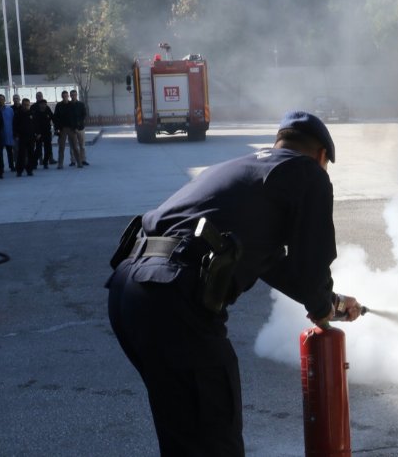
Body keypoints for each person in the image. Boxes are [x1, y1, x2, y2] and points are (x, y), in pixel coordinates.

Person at [106, 111, 364, 456]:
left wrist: (326, 301)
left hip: (130, 289)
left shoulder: (244, 171)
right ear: (321, 155)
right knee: (213, 437)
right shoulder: (307, 173)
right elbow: (311, 261)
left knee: (186, 435)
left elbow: (271, 264)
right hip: (174, 298)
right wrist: (321, 308)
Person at [53, 90, 78, 169]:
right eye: (64, 96)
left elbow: (75, 117)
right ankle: (60, 164)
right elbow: (55, 117)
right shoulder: (59, 105)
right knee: (61, 147)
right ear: (62, 97)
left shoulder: (72, 105)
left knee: (75, 147)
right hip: (62, 128)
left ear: (68, 96)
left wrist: (75, 127)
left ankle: (79, 162)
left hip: (71, 128)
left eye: (66, 96)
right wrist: (57, 128)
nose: (65, 97)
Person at [13, 98, 37, 176]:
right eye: (24, 105)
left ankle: (29, 170)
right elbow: (14, 125)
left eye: (27, 105)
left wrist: (37, 133)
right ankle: (19, 171)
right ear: (22, 104)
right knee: (21, 155)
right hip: (21, 137)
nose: (26, 106)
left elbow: (36, 125)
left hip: (31, 137)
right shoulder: (18, 114)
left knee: (31, 154)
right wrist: (16, 135)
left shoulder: (32, 113)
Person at [32, 98, 55, 168]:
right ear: (39, 105)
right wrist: (37, 133)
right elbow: (34, 124)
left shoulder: (48, 110)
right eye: (42, 104)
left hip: (47, 132)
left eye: (45, 104)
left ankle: (45, 163)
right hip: (39, 133)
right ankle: (34, 163)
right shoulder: (36, 112)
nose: (43, 105)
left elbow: (53, 118)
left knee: (48, 149)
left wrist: (56, 128)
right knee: (38, 150)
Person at [69, 89, 89, 166]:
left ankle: (83, 160)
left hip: (81, 128)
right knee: (72, 146)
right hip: (71, 129)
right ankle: (73, 161)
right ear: (70, 96)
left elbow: (84, 114)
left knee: (82, 145)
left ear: (76, 95)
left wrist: (79, 123)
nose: (73, 96)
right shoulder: (68, 105)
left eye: (75, 94)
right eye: (72, 95)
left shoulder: (81, 104)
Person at [0, 94, 15, 172]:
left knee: (9, 151)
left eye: (2, 99)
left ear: (4, 100)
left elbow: (14, 121)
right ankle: (1, 167)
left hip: (8, 133)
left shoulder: (10, 110)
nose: (0, 100)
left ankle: (11, 166)